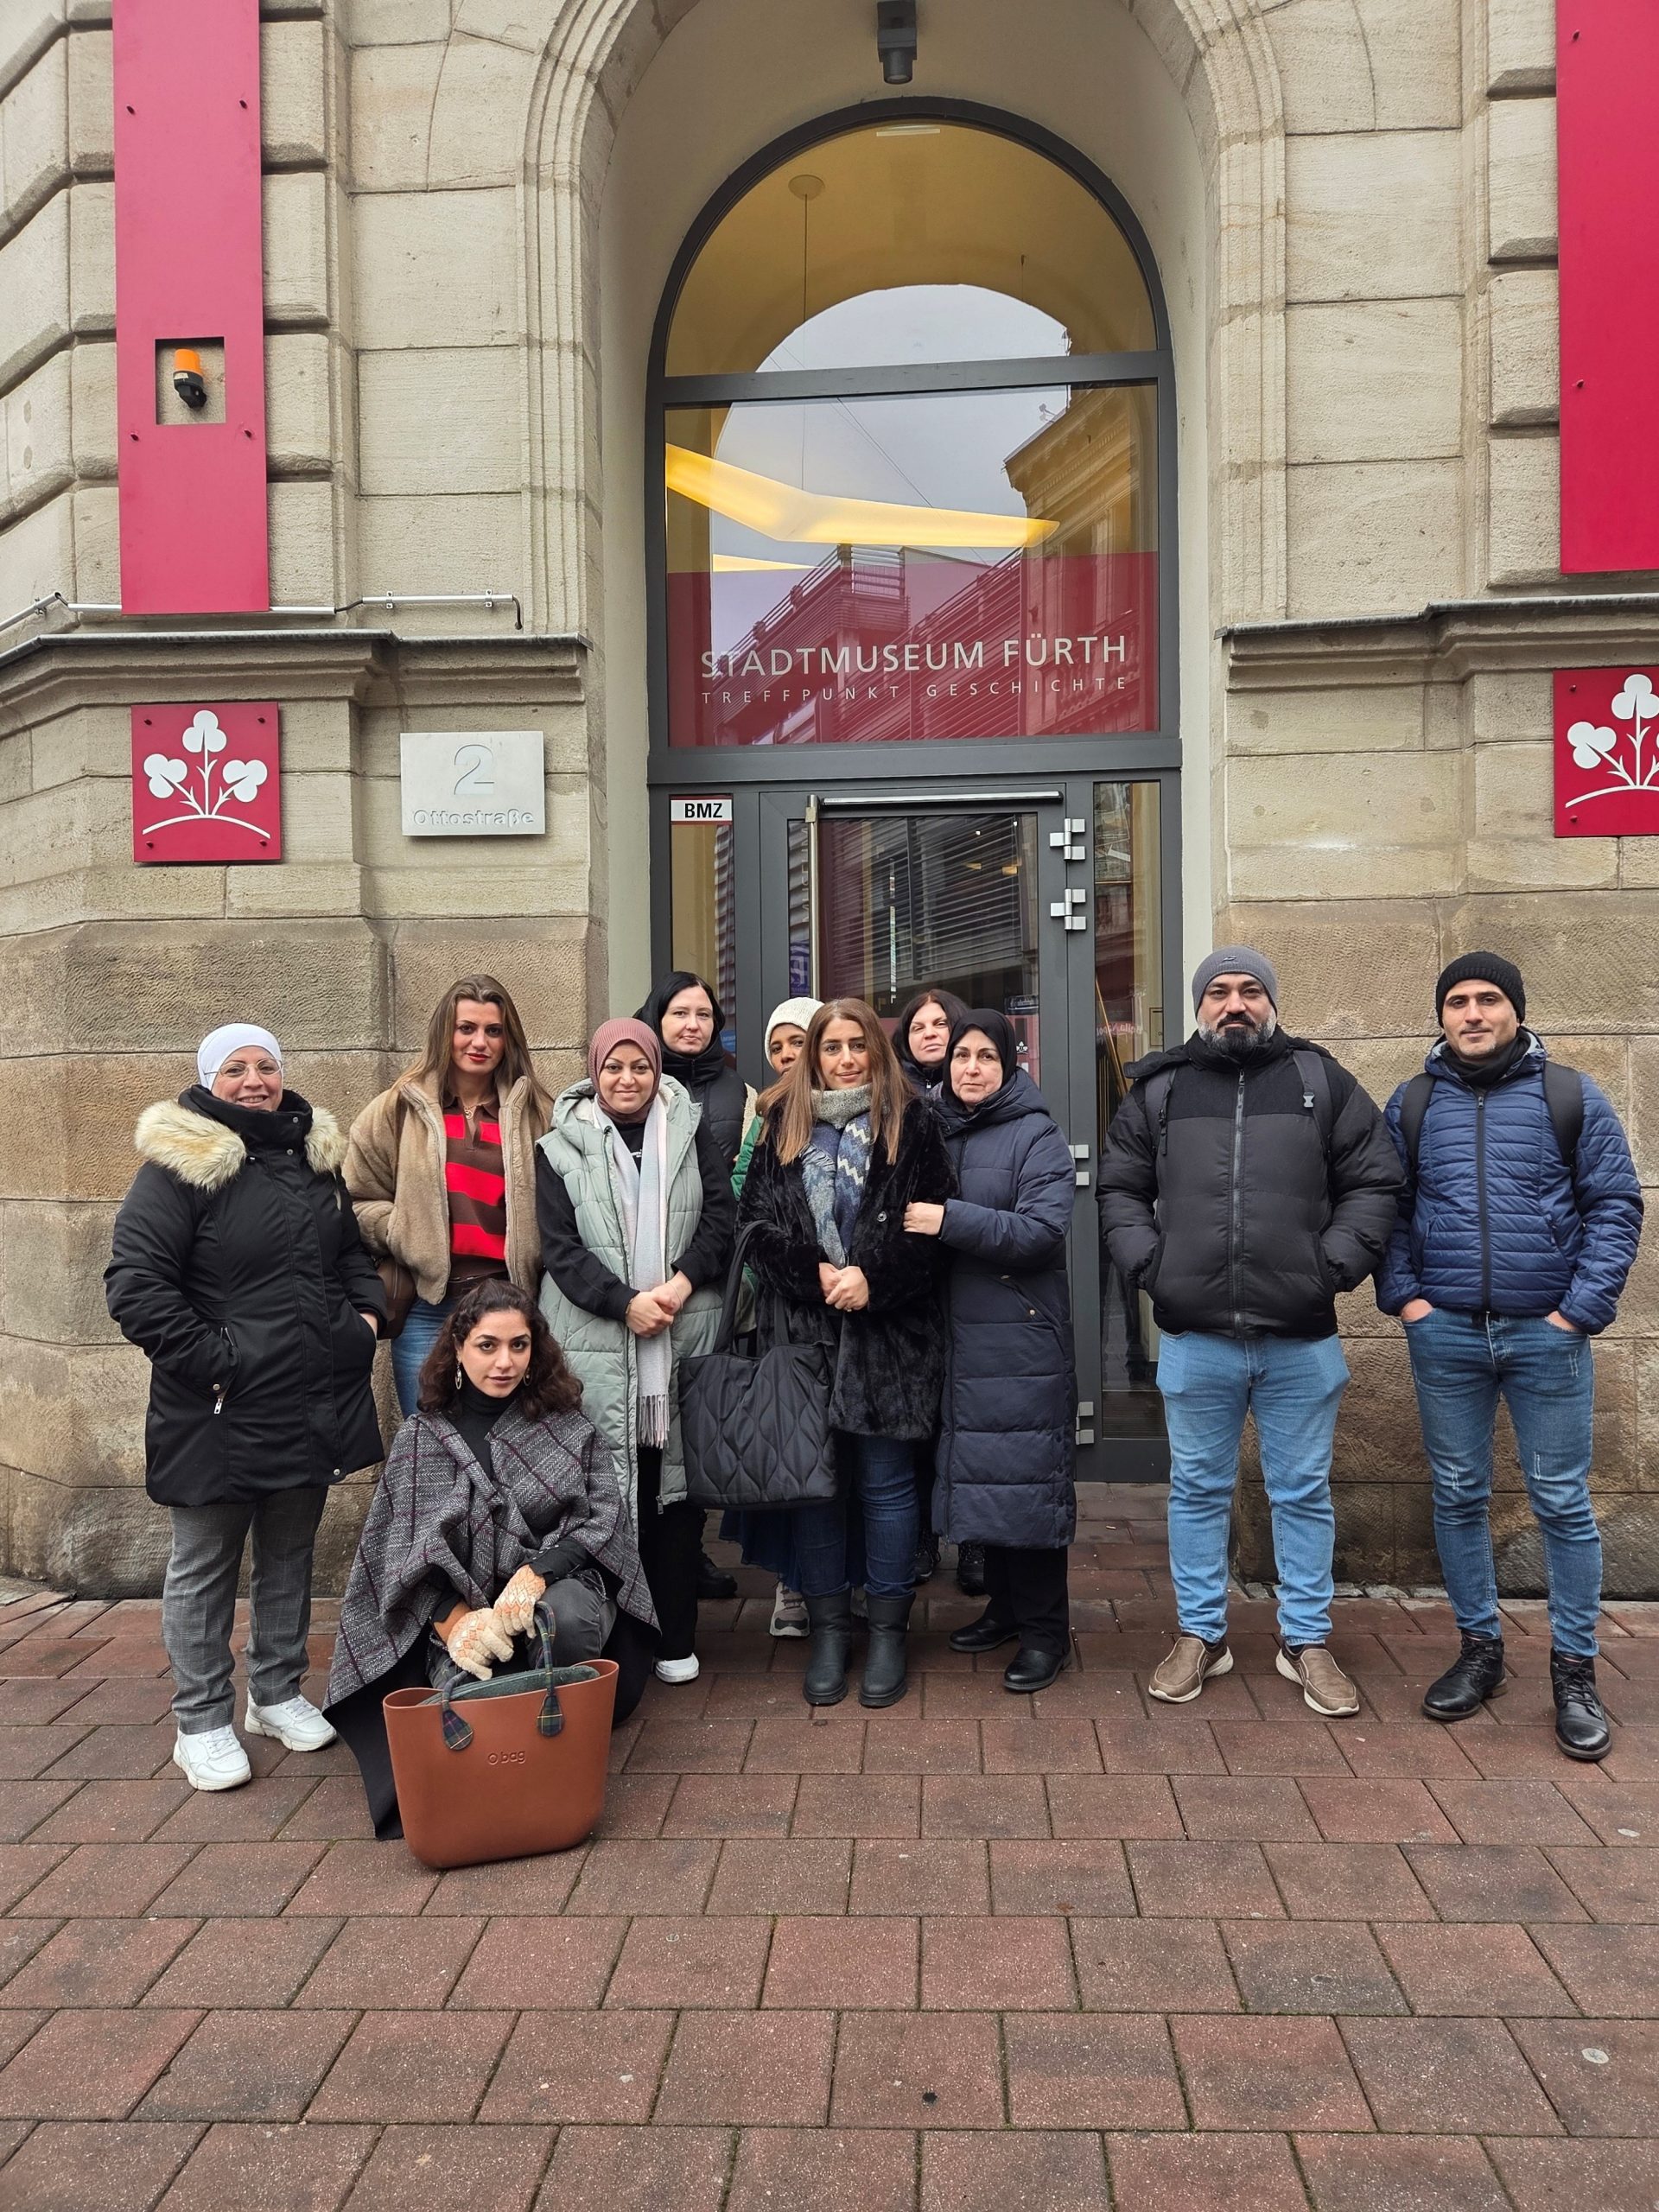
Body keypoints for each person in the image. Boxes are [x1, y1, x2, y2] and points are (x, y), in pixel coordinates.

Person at [1097, 948, 1401, 1719]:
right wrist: (1152, 1267)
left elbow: (1375, 1179)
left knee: (1302, 1491)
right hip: (1196, 1335)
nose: (1236, 1003)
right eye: (1221, 992)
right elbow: (1121, 1186)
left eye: (1251, 990)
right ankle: (1203, 1635)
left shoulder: (1318, 1080)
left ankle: (1306, 1641)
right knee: (1198, 1491)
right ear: (1200, 1004)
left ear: (1271, 1001)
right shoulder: (1160, 1090)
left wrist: (1329, 1268)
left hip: (1301, 1335)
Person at [105, 1024, 385, 1792]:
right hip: (219, 1412)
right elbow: (135, 1287)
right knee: (203, 1569)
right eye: (236, 1069)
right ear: (207, 1080)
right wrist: (220, 1364)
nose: (255, 1080)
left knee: (290, 1553)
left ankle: (275, 1692)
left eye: (267, 1066)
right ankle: (200, 1722)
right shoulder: (178, 1169)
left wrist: (362, 1326)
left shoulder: (311, 1159)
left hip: (312, 1399)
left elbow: (351, 1257)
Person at [1377, 953, 1643, 1762]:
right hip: (1447, 1332)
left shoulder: (1570, 1095)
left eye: (1488, 999)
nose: (1472, 1014)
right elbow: (1384, 1206)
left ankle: (1574, 1671)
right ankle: (1481, 1651)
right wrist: (1409, 1301)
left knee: (1561, 1500)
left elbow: (1616, 1204)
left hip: (1545, 1333)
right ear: (1442, 1016)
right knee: (1458, 1492)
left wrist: (1579, 1313)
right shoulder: (1414, 1102)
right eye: (1457, 1001)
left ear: (1515, 1011)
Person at [324, 1281, 658, 1837]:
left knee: (566, 1621)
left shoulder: (567, 1427)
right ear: (458, 1347)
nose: (504, 1362)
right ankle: (506, 1750)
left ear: (535, 1350)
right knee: (472, 1672)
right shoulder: (421, 1439)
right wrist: (455, 1622)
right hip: (468, 1607)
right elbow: (396, 1556)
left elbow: (605, 1520)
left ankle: (557, 1740)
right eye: (487, 1345)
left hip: (560, 1587)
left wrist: (537, 1573)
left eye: (519, 1345)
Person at [738, 996, 954, 1709]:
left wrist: (876, 1279)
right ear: (813, 1057)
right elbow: (754, 1230)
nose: (845, 1059)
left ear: (877, 1051)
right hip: (804, 1337)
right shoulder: (782, 1124)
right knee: (818, 1487)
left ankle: (889, 1629)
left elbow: (934, 1231)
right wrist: (815, 1273)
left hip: (889, 1340)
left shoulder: (915, 1123)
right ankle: (831, 1627)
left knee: (888, 1486)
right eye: (831, 1048)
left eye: (857, 1045)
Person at [537, 1017, 734, 1683]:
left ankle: (675, 1636)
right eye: (614, 1067)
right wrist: (625, 1302)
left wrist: (677, 1286)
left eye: (640, 1068)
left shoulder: (690, 1132)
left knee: (672, 1498)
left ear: (658, 1072)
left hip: (679, 1334)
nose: (627, 1080)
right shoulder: (557, 1146)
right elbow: (560, 1251)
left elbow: (721, 1220)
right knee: (605, 1497)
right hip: (599, 1345)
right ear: (594, 1070)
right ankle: (616, 1639)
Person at [907, 1011, 1078, 1692]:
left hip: (1018, 1338)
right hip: (953, 1337)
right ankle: (1007, 1611)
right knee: (987, 1483)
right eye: (959, 1056)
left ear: (1010, 1065)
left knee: (1025, 1485)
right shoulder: (930, 1129)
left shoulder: (1037, 1134)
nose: (970, 1067)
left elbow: (1041, 1230)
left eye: (985, 1056)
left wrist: (948, 1219)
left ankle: (1046, 1633)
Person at [345, 976, 551, 1416]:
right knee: (431, 1443)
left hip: (511, 1310)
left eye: (493, 1031)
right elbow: (355, 1200)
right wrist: (403, 1230)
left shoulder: (539, 1112)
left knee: (511, 1444)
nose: (480, 1042)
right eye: (466, 1029)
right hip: (428, 1309)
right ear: (446, 1033)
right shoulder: (396, 1109)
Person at [636, 969, 754, 1602]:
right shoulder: (628, 1080)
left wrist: (693, 1271)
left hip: (703, 1280)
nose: (691, 1024)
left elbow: (727, 1193)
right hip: (631, 1286)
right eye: (679, 1012)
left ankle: (690, 1553)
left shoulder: (734, 1087)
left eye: (704, 1014)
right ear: (656, 1019)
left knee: (695, 1425)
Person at [729, 995, 823, 1639]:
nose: (788, 1056)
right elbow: (743, 1201)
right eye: (778, 1046)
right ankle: (792, 1587)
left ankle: (845, 1585)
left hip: (848, 1316)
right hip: (782, 1314)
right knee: (790, 1452)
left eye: (800, 1043)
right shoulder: (763, 1116)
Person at [892, 984, 974, 1591]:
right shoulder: (892, 1100)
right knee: (920, 1416)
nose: (929, 1032)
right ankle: (922, 1537)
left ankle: (973, 1538)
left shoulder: (980, 1090)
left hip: (973, 1269)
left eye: (940, 1022)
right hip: (912, 1277)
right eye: (918, 1025)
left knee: (969, 1415)